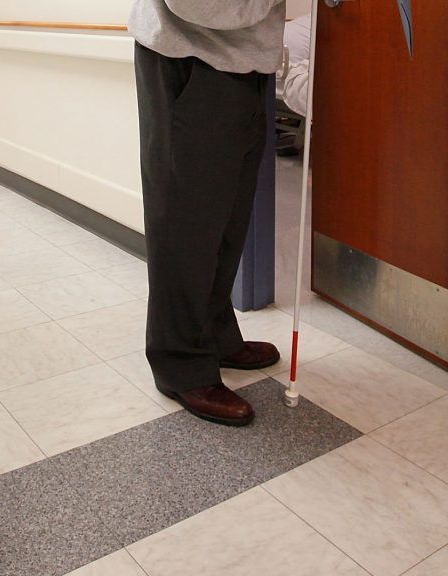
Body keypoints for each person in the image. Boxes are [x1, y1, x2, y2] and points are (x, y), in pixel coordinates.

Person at [129, 1, 287, 426]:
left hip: (239, 57)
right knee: (187, 222)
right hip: (190, 55)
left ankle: (214, 333)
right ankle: (180, 362)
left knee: (226, 218)